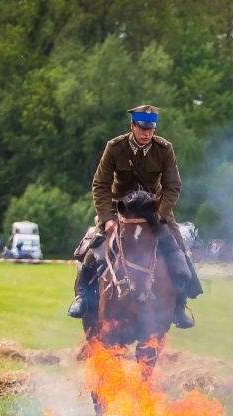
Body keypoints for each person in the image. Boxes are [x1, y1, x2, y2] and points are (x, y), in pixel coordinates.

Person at [67, 104, 203, 328]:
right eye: (142, 128)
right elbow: (100, 184)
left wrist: (160, 214)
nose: (147, 133)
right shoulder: (115, 147)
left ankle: (180, 305)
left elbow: (172, 186)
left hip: (154, 211)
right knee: (94, 246)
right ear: (132, 125)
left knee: (179, 249)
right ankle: (82, 296)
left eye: (151, 129)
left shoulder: (164, 149)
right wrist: (107, 219)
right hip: (118, 210)